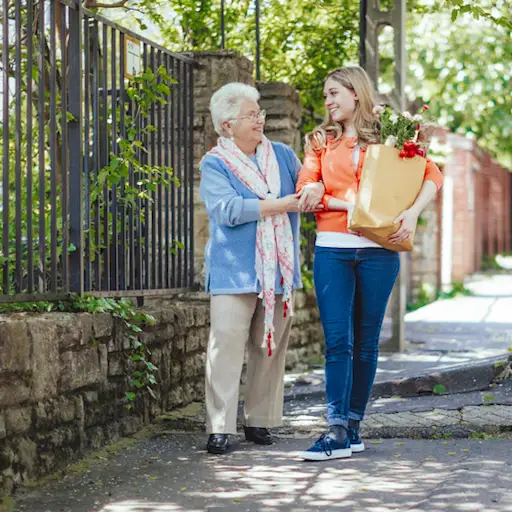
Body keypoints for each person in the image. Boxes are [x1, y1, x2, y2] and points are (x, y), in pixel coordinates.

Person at [295, 66, 444, 461]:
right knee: (338, 342)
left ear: (356, 93)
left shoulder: (390, 133)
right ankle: (335, 428)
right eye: (325, 95)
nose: (327, 102)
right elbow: (306, 192)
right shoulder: (320, 142)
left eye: (333, 93)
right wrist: (339, 199)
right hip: (333, 248)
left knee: (366, 342)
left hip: (380, 250)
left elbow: (432, 172)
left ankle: (354, 426)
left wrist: (411, 214)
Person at [199, 82, 319, 455]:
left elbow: (309, 183)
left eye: (260, 113)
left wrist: (314, 175)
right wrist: (279, 204)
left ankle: (259, 421)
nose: (260, 120)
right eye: (252, 115)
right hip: (233, 270)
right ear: (227, 124)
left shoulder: (282, 155)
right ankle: (220, 427)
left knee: (269, 350)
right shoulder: (215, 163)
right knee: (225, 348)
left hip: (278, 272)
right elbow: (227, 210)